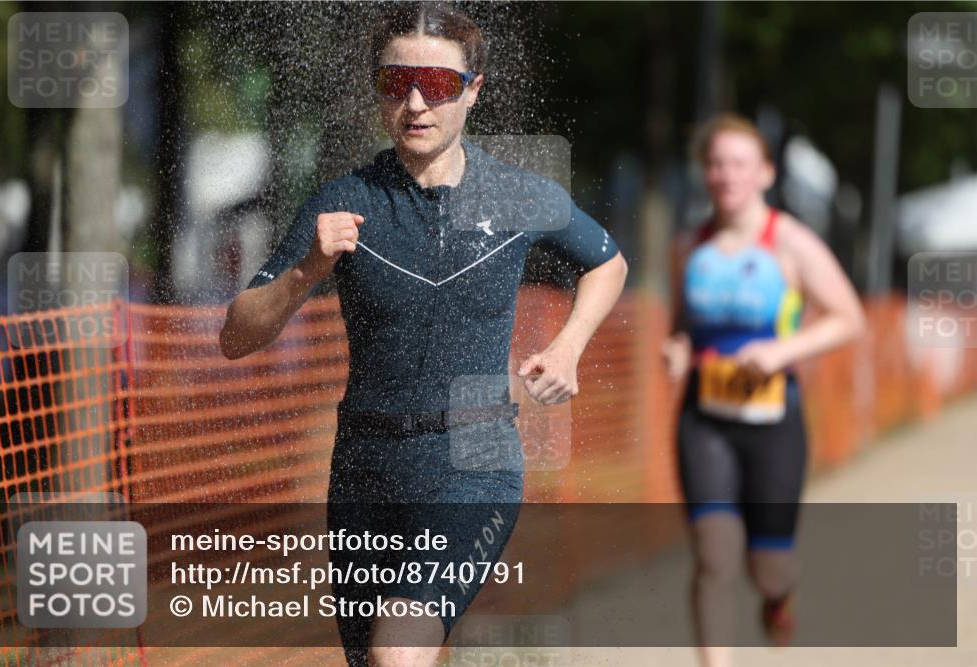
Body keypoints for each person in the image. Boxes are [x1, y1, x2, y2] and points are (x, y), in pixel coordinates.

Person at [219, 4, 628, 666]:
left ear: (474, 89)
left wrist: (569, 345)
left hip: (474, 456)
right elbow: (236, 335)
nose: (414, 102)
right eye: (395, 82)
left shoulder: (519, 195)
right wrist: (305, 272)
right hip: (364, 465)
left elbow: (608, 261)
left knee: (398, 652)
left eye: (437, 84)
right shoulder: (341, 201)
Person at [663, 113, 865, 667]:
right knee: (714, 555)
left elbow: (850, 318)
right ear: (705, 172)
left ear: (765, 173)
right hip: (703, 417)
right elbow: (681, 323)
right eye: (716, 163)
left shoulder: (792, 243)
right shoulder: (688, 245)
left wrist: (781, 351)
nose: (726, 174)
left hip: (775, 420)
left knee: (767, 567)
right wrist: (677, 348)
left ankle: (779, 597)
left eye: (739, 163)